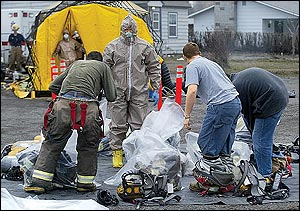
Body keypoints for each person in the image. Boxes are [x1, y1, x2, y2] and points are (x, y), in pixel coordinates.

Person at [24, 51, 117, 194]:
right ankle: (84, 184)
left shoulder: (76, 64)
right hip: (88, 108)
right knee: (88, 145)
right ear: (100, 60)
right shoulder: (103, 67)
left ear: (86, 59)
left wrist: (67, 94)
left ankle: (39, 182)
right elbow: (111, 96)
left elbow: (53, 86)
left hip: (63, 106)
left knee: (52, 142)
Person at [103, 14, 161, 168]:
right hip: (118, 91)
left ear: (135, 29)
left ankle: (137, 152)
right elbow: (105, 68)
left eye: (130, 28)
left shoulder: (145, 47)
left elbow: (154, 66)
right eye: (125, 28)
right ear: (121, 29)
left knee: (138, 124)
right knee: (117, 123)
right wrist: (105, 87)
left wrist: (155, 86)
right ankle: (117, 153)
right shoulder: (112, 47)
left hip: (139, 91)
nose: (128, 31)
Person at [182, 42, 242, 175]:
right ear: (199, 53)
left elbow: (192, 91)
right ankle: (228, 174)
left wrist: (187, 116)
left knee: (206, 144)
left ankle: (214, 177)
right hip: (235, 102)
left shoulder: (192, 66)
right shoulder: (211, 63)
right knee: (223, 145)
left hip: (221, 105)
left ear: (185, 57)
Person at [228, 67, 289, 186]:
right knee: (261, 137)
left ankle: (265, 177)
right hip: (278, 93)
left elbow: (246, 112)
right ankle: (277, 160)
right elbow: (247, 114)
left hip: (272, 100)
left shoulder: (236, 87)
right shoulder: (238, 78)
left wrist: (253, 134)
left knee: (260, 140)